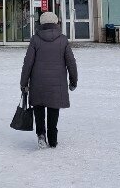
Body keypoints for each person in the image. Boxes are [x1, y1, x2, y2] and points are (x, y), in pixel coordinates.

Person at [20, 11, 78, 149]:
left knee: (38, 108)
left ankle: (41, 135)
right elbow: (71, 62)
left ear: (41, 23)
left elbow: (28, 63)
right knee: (53, 109)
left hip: (37, 83)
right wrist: (73, 81)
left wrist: (24, 83)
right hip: (56, 84)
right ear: (56, 23)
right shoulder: (63, 40)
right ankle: (52, 139)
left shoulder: (35, 39)